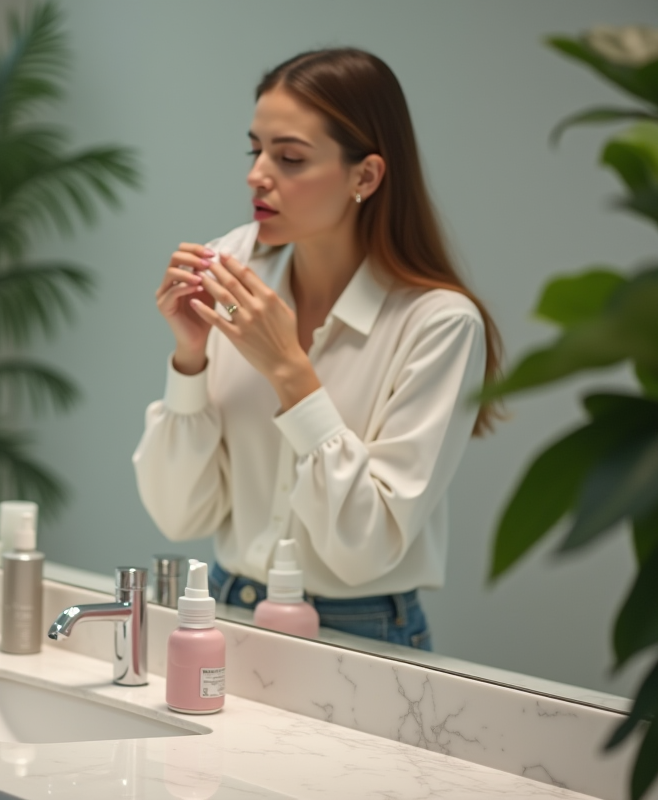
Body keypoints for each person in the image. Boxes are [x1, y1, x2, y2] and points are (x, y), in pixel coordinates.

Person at [133, 48, 502, 651]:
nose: (257, 175)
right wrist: (189, 360)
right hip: (226, 606)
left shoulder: (440, 325)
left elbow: (365, 550)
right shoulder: (235, 272)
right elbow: (179, 515)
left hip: (362, 629)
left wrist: (290, 372)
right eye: (255, 150)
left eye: (290, 157)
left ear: (366, 176)